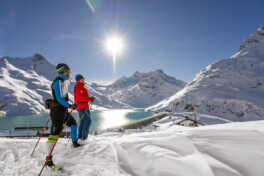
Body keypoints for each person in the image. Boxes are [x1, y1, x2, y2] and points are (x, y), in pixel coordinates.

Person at [45, 63, 81, 169]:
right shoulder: (58, 82)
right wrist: (70, 106)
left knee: (74, 125)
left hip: (63, 111)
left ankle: (74, 143)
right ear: (64, 70)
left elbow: (63, 96)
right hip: (57, 112)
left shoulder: (64, 81)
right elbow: (59, 99)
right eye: (69, 70)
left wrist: (70, 105)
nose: (70, 71)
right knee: (54, 135)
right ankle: (48, 161)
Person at [74, 74, 95, 140]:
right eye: (82, 79)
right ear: (79, 80)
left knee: (83, 121)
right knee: (88, 121)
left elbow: (83, 97)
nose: (84, 80)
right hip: (82, 106)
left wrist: (90, 99)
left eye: (83, 79)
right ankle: (84, 137)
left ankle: (80, 136)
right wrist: (89, 99)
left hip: (82, 106)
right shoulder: (78, 87)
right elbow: (81, 97)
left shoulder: (81, 87)